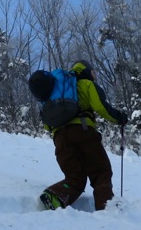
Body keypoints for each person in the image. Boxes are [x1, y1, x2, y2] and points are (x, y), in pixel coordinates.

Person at [40, 60, 127, 211]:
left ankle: (54, 196)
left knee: (75, 179)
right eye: (94, 73)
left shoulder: (57, 91)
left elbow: (47, 124)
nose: (95, 76)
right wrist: (119, 118)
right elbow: (100, 107)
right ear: (87, 70)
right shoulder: (86, 84)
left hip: (60, 138)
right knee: (101, 172)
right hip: (83, 132)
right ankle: (108, 209)